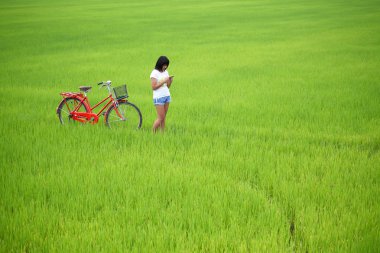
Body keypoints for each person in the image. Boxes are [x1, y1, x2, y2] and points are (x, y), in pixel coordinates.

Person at [150, 56, 174, 132]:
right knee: (160, 118)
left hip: (167, 96)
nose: (165, 67)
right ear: (160, 64)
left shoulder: (166, 72)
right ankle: (152, 133)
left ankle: (162, 134)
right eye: (164, 65)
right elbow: (153, 87)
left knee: (163, 117)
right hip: (159, 97)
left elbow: (168, 86)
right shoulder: (154, 73)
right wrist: (164, 81)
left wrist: (170, 81)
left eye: (166, 65)